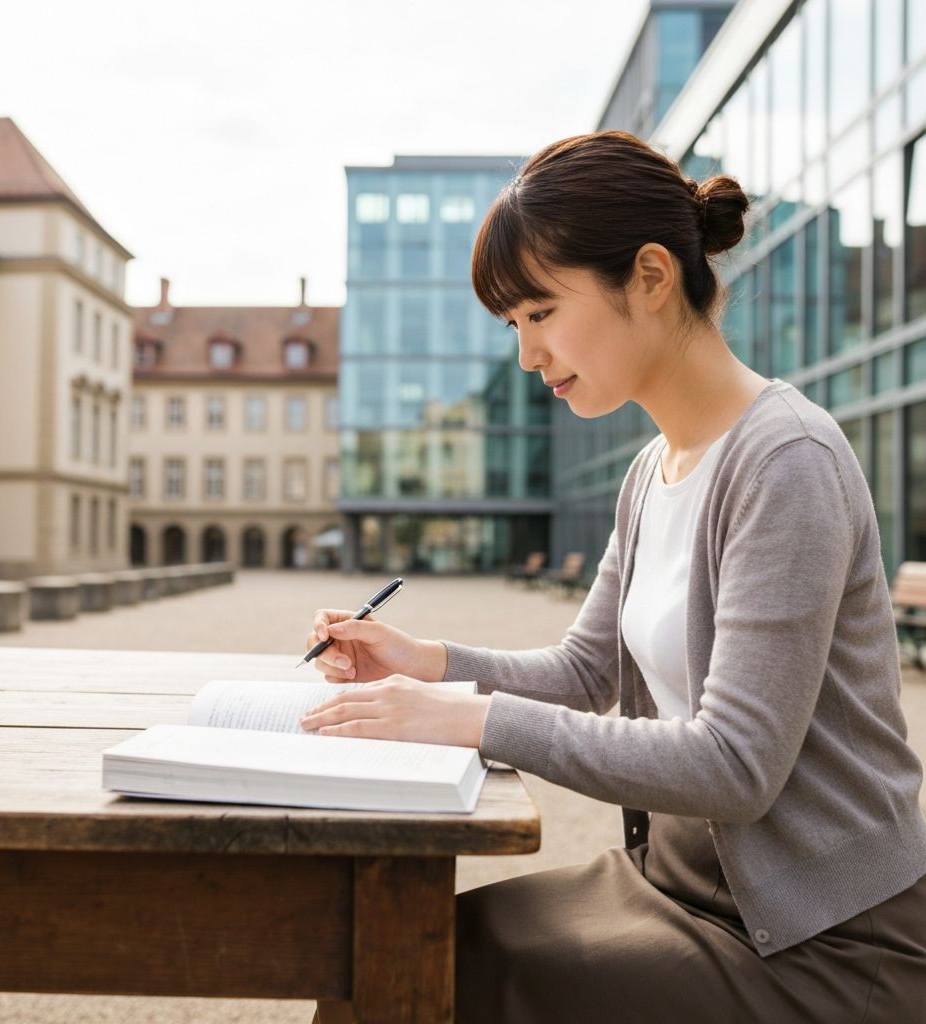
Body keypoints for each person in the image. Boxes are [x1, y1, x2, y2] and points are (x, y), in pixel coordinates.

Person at [304, 131, 926, 1023]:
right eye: (515, 325)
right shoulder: (652, 470)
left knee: (428, 983)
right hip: (677, 889)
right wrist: (423, 663)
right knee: (390, 953)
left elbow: (737, 764)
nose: (527, 356)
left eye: (542, 313)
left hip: (821, 942)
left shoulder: (785, 460)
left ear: (649, 276)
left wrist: (469, 719)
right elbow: (584, 674)